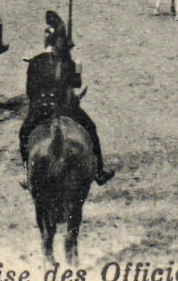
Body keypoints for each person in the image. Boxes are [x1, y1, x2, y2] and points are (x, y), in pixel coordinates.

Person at [18, 11, 113, 187]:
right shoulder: (67, 61)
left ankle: (28, 174)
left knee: (24, 134)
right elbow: (77, 84)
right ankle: (99, 171)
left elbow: (30, 91)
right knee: (91, 129)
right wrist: (78, 69)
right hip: (66, 107)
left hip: (41, 108)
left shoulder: (35, 62)